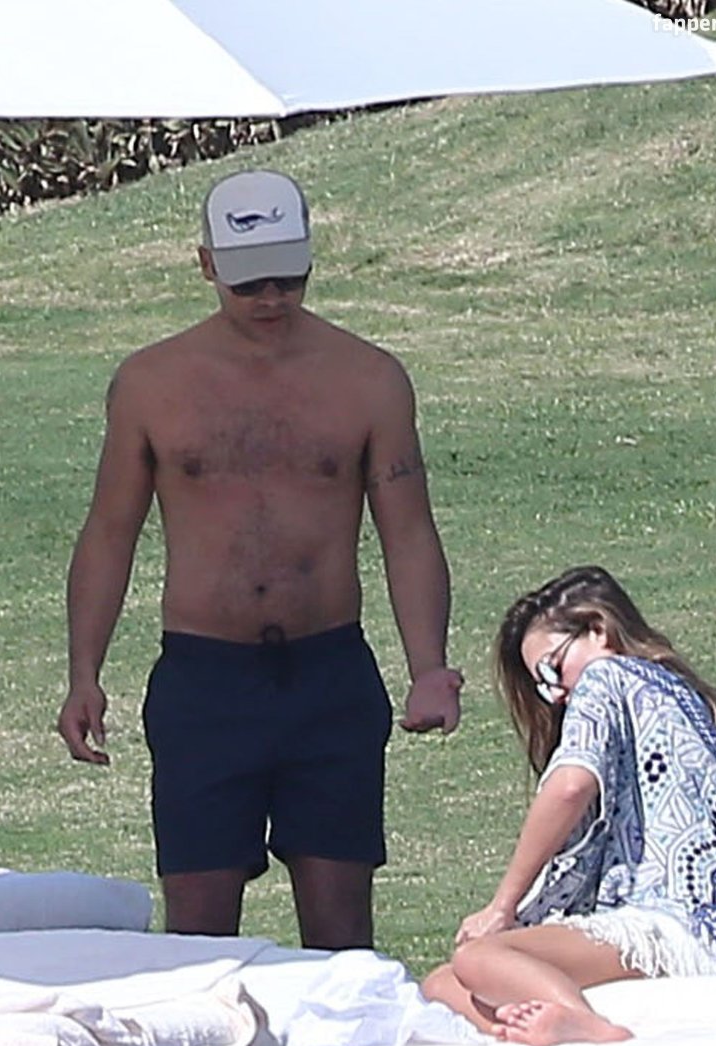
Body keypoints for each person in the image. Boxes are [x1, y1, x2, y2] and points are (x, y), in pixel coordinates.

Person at [57, 169, 462, 950]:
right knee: (198, 939)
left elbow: (408, 531)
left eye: (288, 277)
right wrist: (84, 673)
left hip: (328, 674)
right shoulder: (151, 383)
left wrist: (427, 666)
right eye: (249, 283)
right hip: (204, 679)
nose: (272, 298)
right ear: (207, 265)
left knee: (341, 938)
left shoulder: (368, 378)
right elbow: (109, 531)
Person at [422, 565, 716, 1046]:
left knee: (478, 959)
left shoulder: (607, 674)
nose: (557, 695)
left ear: (598, 630)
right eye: (543, 687)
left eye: (551, 671)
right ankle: (521, 1027)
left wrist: (502, 906)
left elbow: (569, 786)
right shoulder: (684, 700)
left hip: (673, 929)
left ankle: (586, 1025)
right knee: (441, 983)